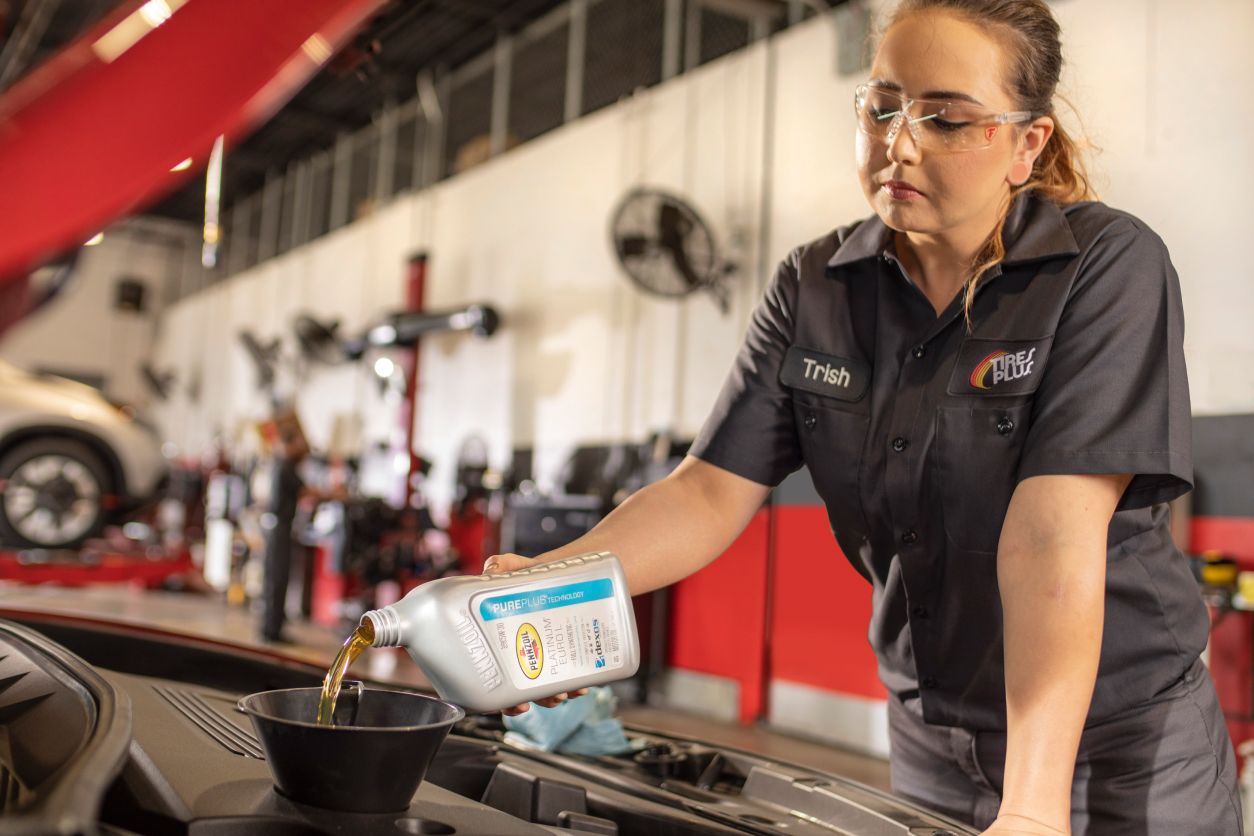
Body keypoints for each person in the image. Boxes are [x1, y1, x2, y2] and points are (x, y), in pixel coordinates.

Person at [487, 1, 1240, 834]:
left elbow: (1051, 537)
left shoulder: (1105, 266)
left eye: (946, 118)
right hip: (930, 736)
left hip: (1121, 735)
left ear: (1027, 144)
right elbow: (707, 491)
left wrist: (1032, 809)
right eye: (882, 106)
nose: (900, 143)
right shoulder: (815, 286)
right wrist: (552, 582)